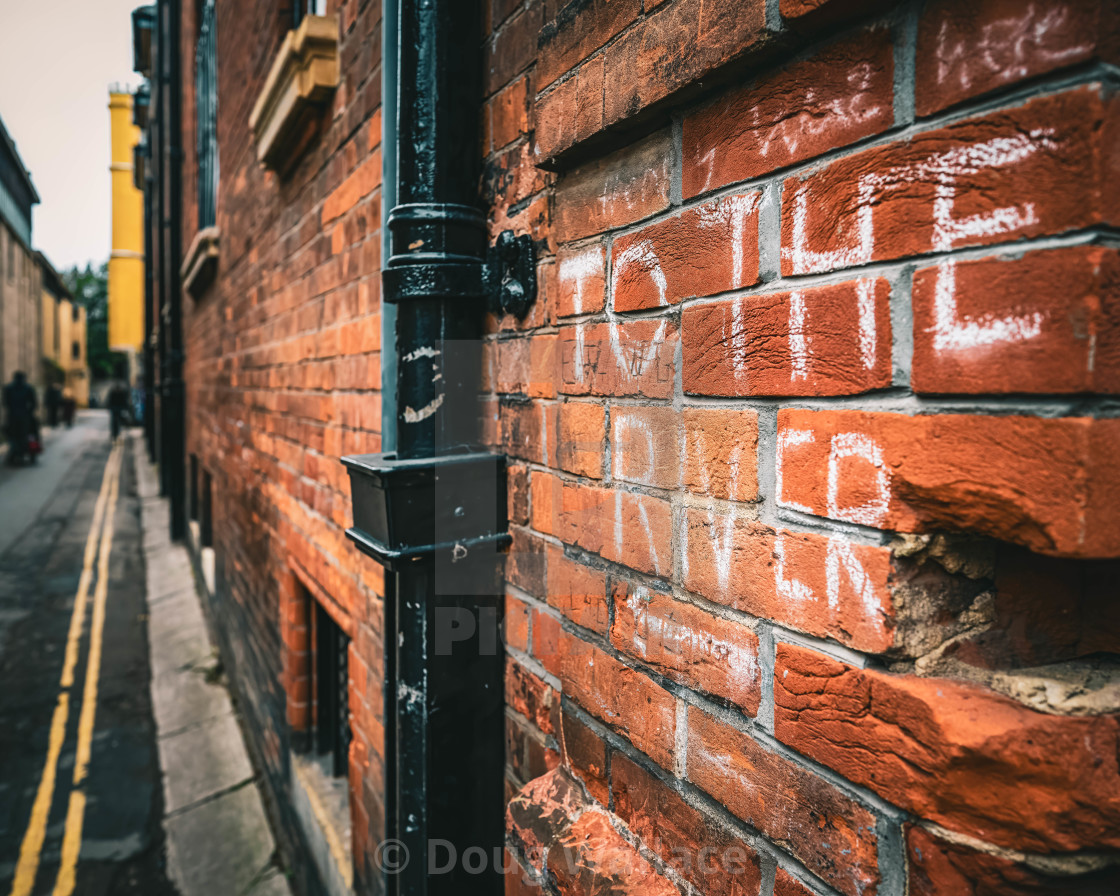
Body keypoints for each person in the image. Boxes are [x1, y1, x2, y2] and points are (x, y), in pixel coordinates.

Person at [3, 371, 38, 466]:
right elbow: (34, 403)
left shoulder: (8, 388)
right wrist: (28, 412)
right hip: (24, 416)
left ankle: (15, 454)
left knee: (14, 437)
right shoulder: (28, 388)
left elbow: (6, 403)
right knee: (27, 436)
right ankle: (24, 454)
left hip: (12, 416)